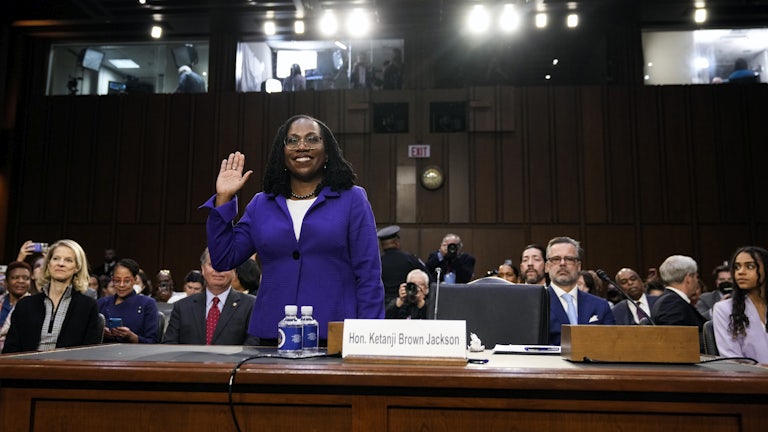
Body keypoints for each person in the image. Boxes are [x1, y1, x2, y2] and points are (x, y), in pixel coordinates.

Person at [201, 114, 385, 344]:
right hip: (272, 334)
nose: (302, 146)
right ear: (282, 152)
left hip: (334, 334)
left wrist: (369, 337)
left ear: (327, 152)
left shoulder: (352, 199)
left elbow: (368, 274)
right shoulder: (261, 204)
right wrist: (224, 199)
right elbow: (223, 258)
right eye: (293, 140)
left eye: (312, 139)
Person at [2, 239, 101, 354]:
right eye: (56, 259)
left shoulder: (87, 306)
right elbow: (10, 350)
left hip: (68, 368)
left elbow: (89, 353)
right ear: (48, 264)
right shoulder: (25, 305)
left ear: (77, 267)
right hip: (27, 368)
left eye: (68, 260)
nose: (61, 263)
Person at [163, 248, 257, 345]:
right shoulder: (182, 307)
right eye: (212, 264)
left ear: (234, 270)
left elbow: (253, 346)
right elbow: (169, 345)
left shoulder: (251, 306)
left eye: (224, 265)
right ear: (203, 269)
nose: (218, 270)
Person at [545, 236, 615, 345]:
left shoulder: (600, 305)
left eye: (569, 259)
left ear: (578, 266)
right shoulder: (536, 305)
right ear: (547, 266)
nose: (562, 263)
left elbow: (612, 345)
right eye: (556, 259)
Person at [713, 246, 768, 363]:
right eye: (737, 267)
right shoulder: (724, 309)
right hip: (750, 378)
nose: (741, 272)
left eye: (750, 266)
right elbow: (732, 359)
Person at [98, 258, 159, 344]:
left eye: (127, 281)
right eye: (117, 281)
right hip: (103, 353)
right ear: (112, 280)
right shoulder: (102, 303)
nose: (121, 285)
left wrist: (132, 337)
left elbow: (153, 342)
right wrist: (100, 332)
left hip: (135, 354)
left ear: (134, 280)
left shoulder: (147, 304)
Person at [650, 255, 706, 333]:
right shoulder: (671, 303)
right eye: (696, 277)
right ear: (688, 279)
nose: (697, 281)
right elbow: (676, 340)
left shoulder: (671, 301)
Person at [377, 225, 428, 305]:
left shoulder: (377, 262)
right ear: (396, 242)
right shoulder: (410, 259)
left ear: (382, 245)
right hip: (405, 303)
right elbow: (427, 278)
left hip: (382, 305)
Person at [0, 262, 32, 351]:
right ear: (6, 282)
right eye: (15, 277)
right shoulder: (1, 301)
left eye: (26, 278)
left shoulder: (34, 306)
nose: (21, 281)